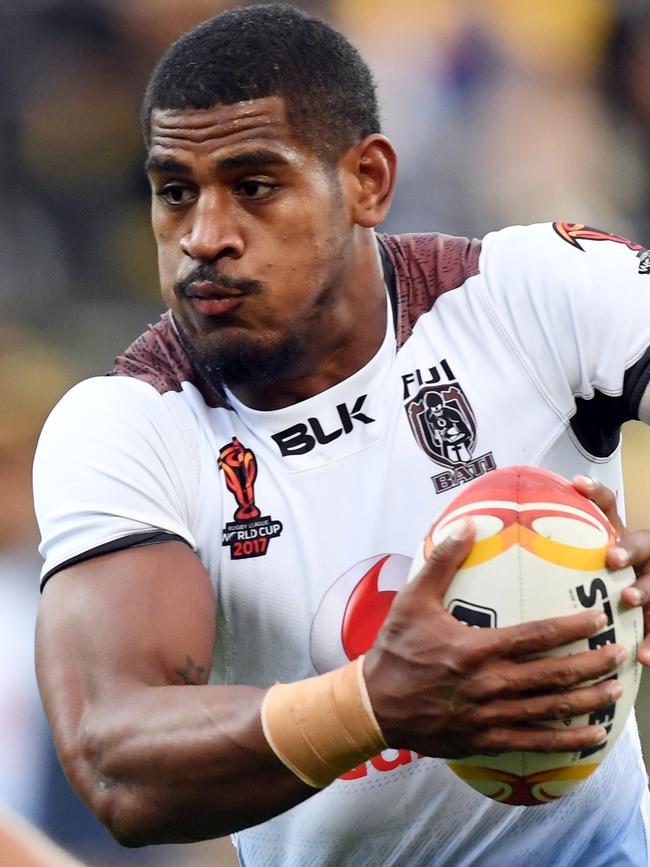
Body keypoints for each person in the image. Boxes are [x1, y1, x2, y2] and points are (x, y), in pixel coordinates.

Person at [33, 5, 650, 866]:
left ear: (368, 179)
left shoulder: (536, 294)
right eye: (175, 191)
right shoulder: (126, 425)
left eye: (254, 185)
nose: (203, 238)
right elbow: (114, 761)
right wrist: (375, 703)